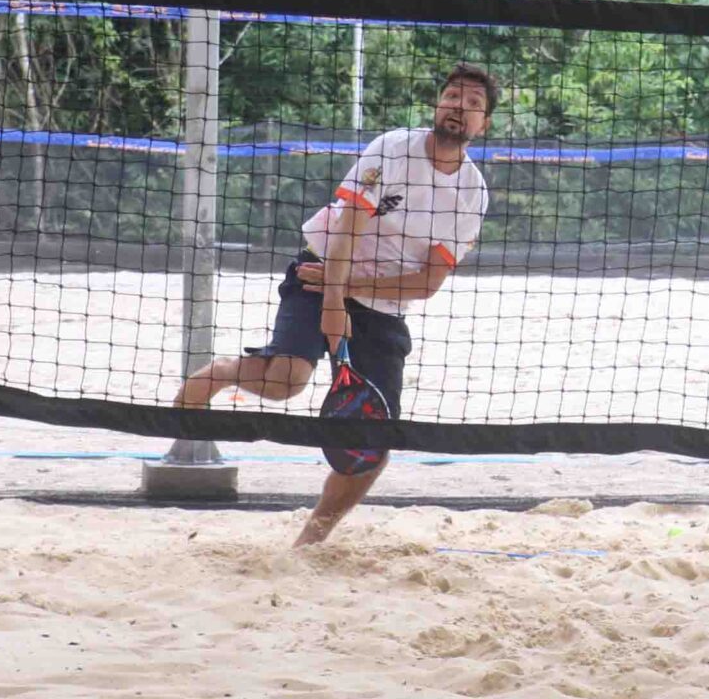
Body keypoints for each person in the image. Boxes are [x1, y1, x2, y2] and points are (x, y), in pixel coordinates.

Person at [173, 64, 497, 547]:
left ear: (483, 124)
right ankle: (222, 373)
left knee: (372, 446)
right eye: (452, 96)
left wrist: (349, 288)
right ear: (437, 105)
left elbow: (428, 283)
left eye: (473, 104)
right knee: (286, 381)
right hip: (322, 268)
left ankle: (310, 542)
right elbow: (348, 227)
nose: (459, 107)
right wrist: (332, 297)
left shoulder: (472, 193)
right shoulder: (392, 148)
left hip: (380, 300)